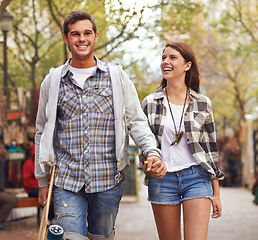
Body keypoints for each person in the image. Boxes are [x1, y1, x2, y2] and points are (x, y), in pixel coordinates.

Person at [35, 10, 166, 240]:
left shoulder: (117, 77)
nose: (81, 39)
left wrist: (151, 151)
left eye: (87, 33)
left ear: (95, 36)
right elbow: (41, 132)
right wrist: (42, 180)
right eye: (75, 34)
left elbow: (136, 121)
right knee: (70, 237)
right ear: (66, 38)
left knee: (102, 237)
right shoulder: (53, 81)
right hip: (66, 180)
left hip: (107, 180)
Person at [142, 42, 224, 240]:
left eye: (172, 57)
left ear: (187, 65)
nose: (166, 62)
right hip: (163, 180)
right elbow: (145, 144)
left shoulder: (203, 103)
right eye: (163, 58)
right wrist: (148, 167)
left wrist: (216, 193)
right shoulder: (150, 103)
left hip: (196, 176)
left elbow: (210, 150)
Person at [22, 144, 54, 222]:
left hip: (45, 186)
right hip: (33, 189)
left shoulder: (47, 163)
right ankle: (48, 219)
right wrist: (41, 184)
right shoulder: (28, 164)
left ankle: (51, 218)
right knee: (45, 196)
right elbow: (27, 182)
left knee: (53, 194)